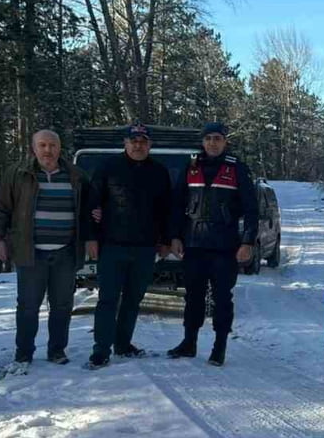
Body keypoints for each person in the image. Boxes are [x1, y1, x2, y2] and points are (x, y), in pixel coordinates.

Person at [0, 129, 95, 371]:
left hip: (65, 252)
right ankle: (24, 352)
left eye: (52, 145)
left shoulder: (76, 175)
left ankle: (57, 350)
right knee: (27, 306)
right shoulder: (18, 174)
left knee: (62, 305)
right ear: (33, 148)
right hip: (30, 252)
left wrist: (90, 238)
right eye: (43, 145)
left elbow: (89, 211)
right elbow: (1, 208)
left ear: (60, 148)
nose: (48, 150)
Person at [167, 121, 258, 366]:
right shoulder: (191, 165)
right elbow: (176, 205)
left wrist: (248, 241)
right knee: (193, 297)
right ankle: (189, 342)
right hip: (194, 244)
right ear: (203, 141)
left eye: (217, 138)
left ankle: (219, 347)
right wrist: (174, 236)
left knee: (221, 297)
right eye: (208, 139)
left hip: (224, 246)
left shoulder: (236, 168)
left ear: (225, 141)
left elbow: (251, 209)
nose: (212, 143)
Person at [86, 123, 172, 369]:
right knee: (108, 300)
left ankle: (123, 344)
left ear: (149, 144)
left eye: (143, 141)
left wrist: (165, 240)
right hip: (112, 246)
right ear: (125, 143)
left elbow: (167, 210)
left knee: (133, 300)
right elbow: (92, 204)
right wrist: (91, 238)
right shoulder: (108, 167)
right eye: (133, 140)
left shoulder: (159, 172)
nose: (138, 145)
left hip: (145, 248)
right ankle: (101, 350)